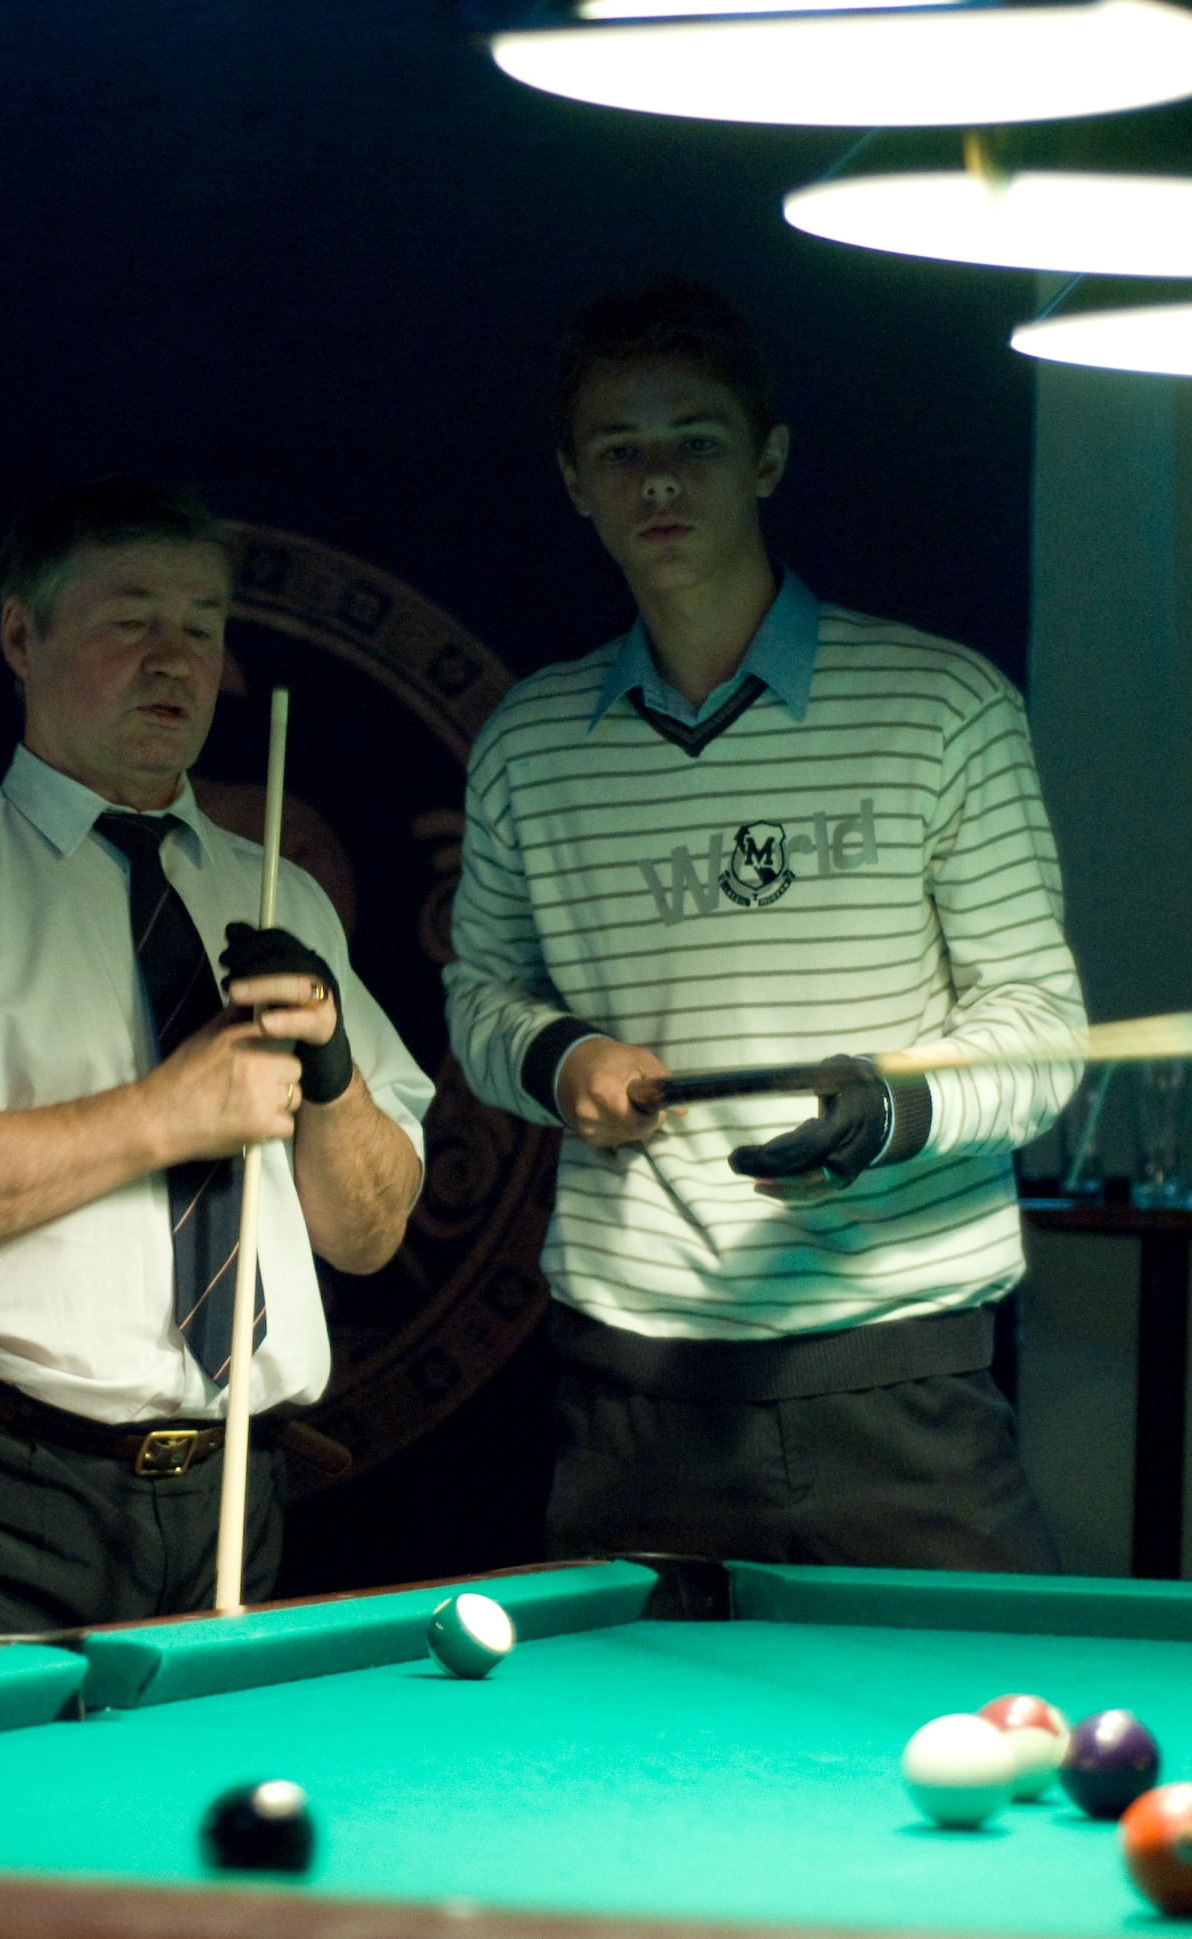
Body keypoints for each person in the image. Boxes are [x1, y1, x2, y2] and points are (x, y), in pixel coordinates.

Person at [443, 277, 1087, 1572]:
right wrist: (563, 1058)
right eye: (619, 451)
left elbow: (1042, 1030)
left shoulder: (941, 704)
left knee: (993, 1701)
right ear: (574, 483)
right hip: (632, 1396)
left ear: (769, 460)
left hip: (896, 1384)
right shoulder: (529, 742)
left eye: (696, 441)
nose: (657, 479)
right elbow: (479, 995)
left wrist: (892, 1106)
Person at [0, 476, 435, 1649]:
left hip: (232, 1497)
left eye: (200, 626)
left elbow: (368, 1232)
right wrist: (167, 1114)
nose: (173, 659)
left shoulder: (280, 896)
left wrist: (334, 1079)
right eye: (129, 619)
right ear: (20, 638)